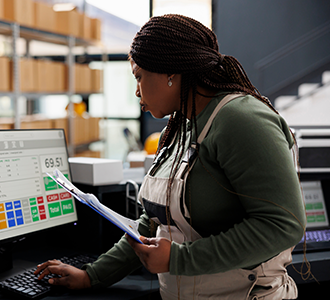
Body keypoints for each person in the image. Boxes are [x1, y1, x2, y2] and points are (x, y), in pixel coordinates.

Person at [35, 14, 306, 299]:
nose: (136, 90)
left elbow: (283, 225)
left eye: (139, 76)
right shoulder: (181, 126)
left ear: (170, 73)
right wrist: (93, 275)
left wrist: (178, 259)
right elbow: (152, 223)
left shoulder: (241, 119)